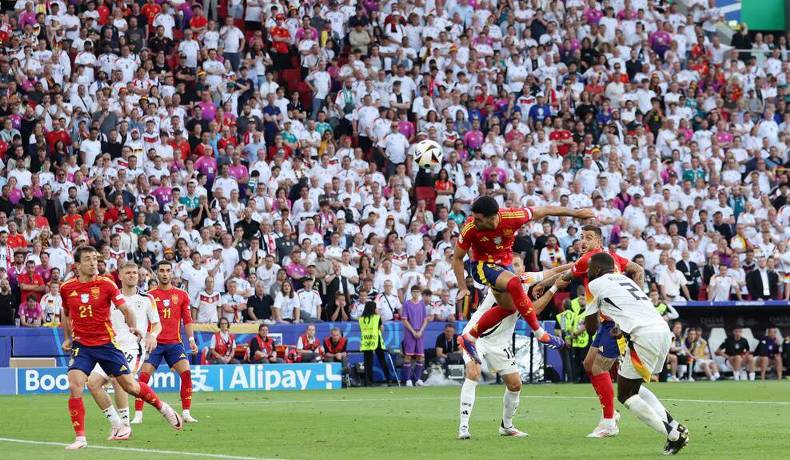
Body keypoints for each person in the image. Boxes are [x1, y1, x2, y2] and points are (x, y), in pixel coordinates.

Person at [60, 246, 181, 450]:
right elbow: (66, 312)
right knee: (77, 385)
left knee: (130, 386)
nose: (93, 263)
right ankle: (86, 436)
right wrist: (67, 338)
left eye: (95, 259)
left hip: (108, 345)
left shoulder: (107, 285)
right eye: (88, 259)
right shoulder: (66, 288)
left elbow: (125, 308)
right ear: (77, 265)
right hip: (82, 345)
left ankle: (163, 408)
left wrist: (134, 327)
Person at [455, 197, 590, 360]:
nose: (473, 221)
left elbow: (545, 210)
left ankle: (470, 337)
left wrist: (575, 213)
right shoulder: (470, 227)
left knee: (510, 308)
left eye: (478, 219)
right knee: (514, 282)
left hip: (504, 268)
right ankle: (540, 334)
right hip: (482, 266)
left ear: (492, 218)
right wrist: (462, 287)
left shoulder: (512, 217)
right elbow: (457, 258)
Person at [543, 225, 644, 438]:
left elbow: (565, 276)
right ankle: (610, 413)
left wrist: (543, 285)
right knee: (589, 364)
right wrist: (638, 297)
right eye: (581, 238)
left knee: (598, 368)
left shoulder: (589, 259)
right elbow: (638, 270)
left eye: (589, 238)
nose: (583, 242)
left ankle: (609, 422)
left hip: (616, 322)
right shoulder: (613, 257)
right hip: (607, 320)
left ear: (599, 241)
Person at [585, 252, 689, 455]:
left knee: (625, 394)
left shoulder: (594, 285)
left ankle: (673, 435)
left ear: (596, 269)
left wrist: (597, 326)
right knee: (635, 386)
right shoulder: (625, 280)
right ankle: (675, 425)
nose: (587, 271)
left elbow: (590, 327)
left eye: (589, 268)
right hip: (661, 330)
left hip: (643, 335)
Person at [459, 255, 570, 439]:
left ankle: (507, 426)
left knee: (515, 384)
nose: (513, 267)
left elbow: (553, 271)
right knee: (473, 371)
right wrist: (555, 287)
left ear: (523, 267)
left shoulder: (525, 279)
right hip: (476, 338)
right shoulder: (502, 284)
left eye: (517, 264)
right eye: (511, 264)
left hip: (499, 343)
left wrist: (578, 264)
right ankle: (463, 428)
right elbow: (533, 311)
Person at [85, 262, 162, 440]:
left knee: (116, 378)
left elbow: (157, 324)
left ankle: (125, 425)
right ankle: (116, 424)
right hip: (110, 347)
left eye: (135, 272)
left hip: (133, 347)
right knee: (92, 383)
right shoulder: (111, 297)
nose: (132, 276)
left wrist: (153, 335)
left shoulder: (146, 299)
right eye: (128, 273)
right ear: (120, 276)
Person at [134, 260, 198, 424]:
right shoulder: (149, 296)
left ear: (171, 273)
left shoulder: (182, 295)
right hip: (154, 343)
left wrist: (191, 340)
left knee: (187, 373)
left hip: (174, 343)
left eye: (167, 270)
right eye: (161, 270)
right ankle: (138, 414)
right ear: (157, 273)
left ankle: (186, 412)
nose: (164, 273)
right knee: (143, 378)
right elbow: (142, 320)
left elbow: (187, 320)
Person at [555, 286, 590, 383]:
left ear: (563, 306)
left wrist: (566, 337)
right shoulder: (575, 314)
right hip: (576, 339)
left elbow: (561, 329)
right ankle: (577, 379)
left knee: (569, 362)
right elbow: (573, 327)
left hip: (568, 339)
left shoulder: (562, 316)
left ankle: (571, 379)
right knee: (576, 361)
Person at [358, 300, 394, 386]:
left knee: (368, 362)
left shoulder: (361, 319)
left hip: (366, 341)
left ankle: (368, 381)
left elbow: (361, 329)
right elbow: (381, 328)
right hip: (376, 340)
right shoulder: (377, 317)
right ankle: (388, 379)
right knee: (382, 360)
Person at [401, 285, 429, 386]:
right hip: (410, 333)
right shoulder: (407, 304)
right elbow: (404, 319)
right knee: (408, 355)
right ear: (411, 293)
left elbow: (425, 320)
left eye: (418, 292)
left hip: (420, 333)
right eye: (414, 292)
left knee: (420, 357)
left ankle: (417, 379)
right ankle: (408, 380)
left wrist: (421, 331)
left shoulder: (422, 305)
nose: (416, 294)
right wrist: (413, 331)